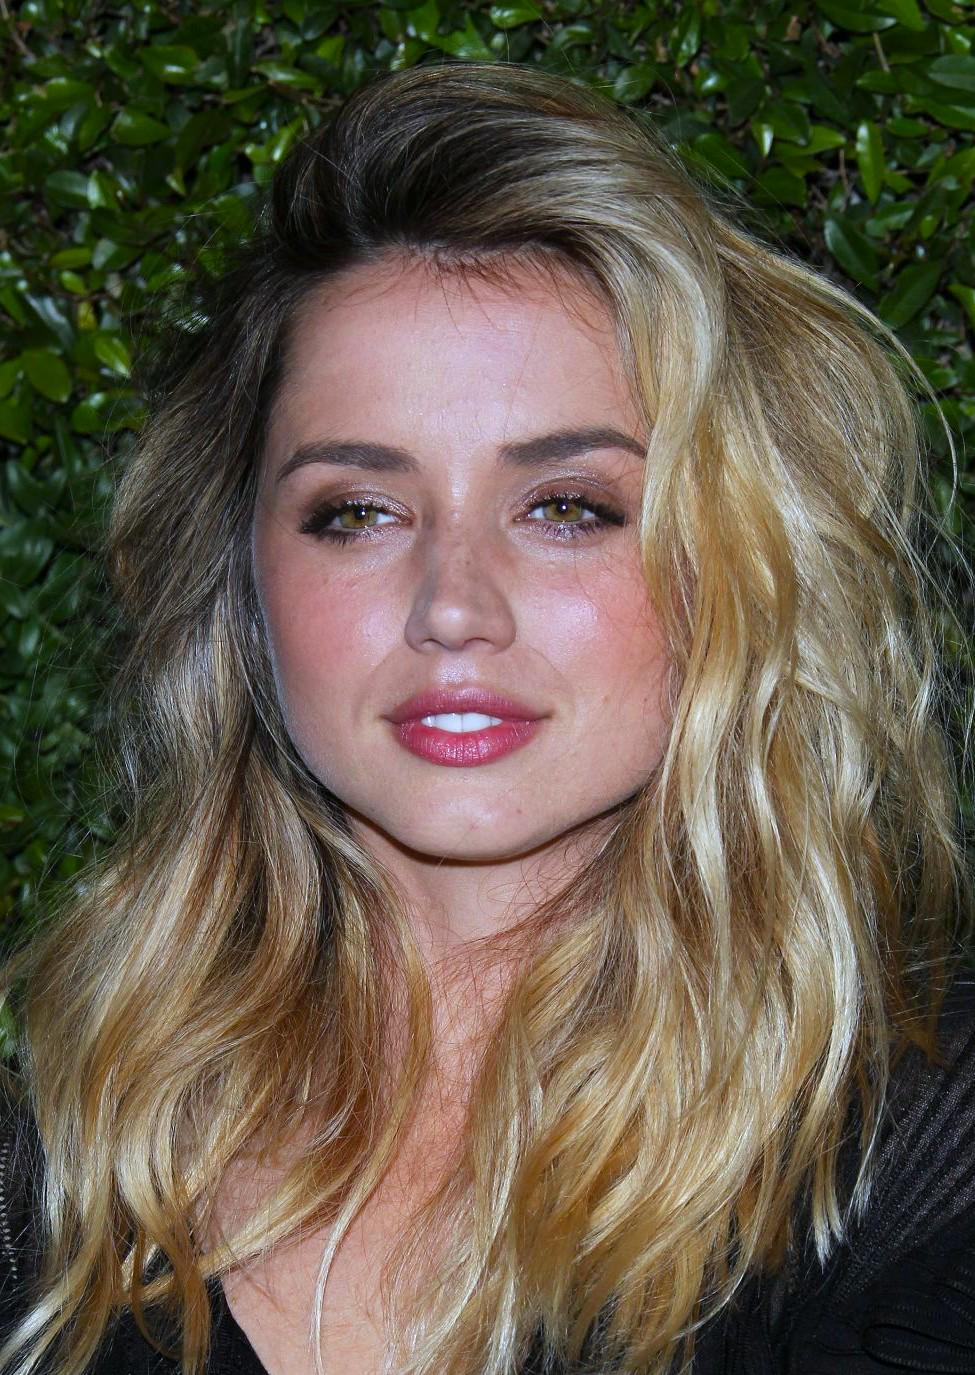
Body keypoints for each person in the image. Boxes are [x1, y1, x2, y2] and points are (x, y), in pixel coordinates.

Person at [0, 55, 972, 1375]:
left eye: (567, 507)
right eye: (359, 511)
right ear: (243, 582)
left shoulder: (913, 1162)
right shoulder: (55, 1180)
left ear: (733, 559)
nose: (453, 608)